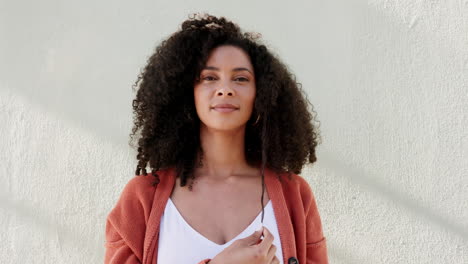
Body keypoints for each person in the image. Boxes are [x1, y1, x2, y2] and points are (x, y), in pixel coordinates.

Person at [104, 12, 328, 264]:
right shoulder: (141, 198)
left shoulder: (295, 196)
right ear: (187, 92)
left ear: (262, 94)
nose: (225, 88)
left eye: (241, 78)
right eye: (209, 78)